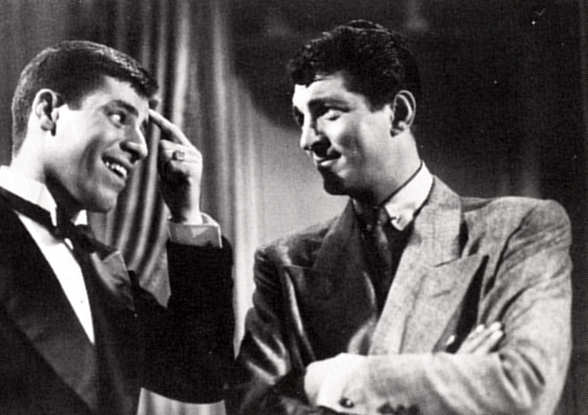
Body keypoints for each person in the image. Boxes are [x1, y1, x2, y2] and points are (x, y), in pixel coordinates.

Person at [227, 20, 572, 415]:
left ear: (399, 113)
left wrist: (332, 380)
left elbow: (523, 386)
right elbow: (251, 407)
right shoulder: (285, 263)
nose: (307, 139)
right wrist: (449, 379)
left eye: (328, 113)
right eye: (300, 118)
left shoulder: (519, 229)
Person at [0, 40, 234, 414]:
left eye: (142, 128)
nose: (141, 147)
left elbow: (203, 374)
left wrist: (187, 216)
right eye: (119, 117)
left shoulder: (107, 271)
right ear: (48, 111)